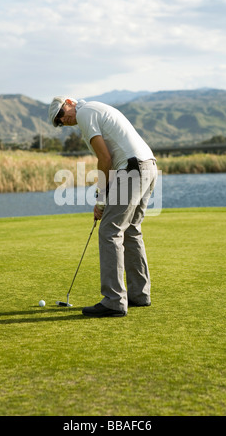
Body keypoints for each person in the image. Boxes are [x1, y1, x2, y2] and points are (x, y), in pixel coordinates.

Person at [49, 96, 158, 317]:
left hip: (131, 169)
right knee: (131, 231)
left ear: (69, 102)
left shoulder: (85, 113)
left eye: (61, 113)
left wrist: (101, 198)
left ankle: (114, 300)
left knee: (110, 231)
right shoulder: (95, 109)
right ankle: (139, 294)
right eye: (59, 121)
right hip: (148, 166)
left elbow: (105, 158)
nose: (64, 120)